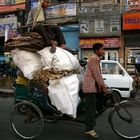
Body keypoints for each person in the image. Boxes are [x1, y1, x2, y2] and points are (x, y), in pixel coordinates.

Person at [82, 43, 108, 138]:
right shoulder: (94, 58)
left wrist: (103, 85)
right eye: (102, 49)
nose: (103, 51)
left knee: (93, 108)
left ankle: (90, 124)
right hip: (90, 87)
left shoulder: (96, 58)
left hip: (93, 87)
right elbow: (97, 74)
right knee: (90, 109)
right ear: (97, 50)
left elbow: (99, 75)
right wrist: (103, 86)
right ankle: (88, 129)